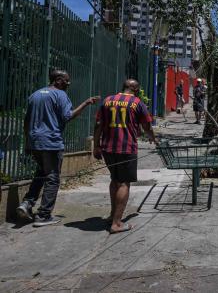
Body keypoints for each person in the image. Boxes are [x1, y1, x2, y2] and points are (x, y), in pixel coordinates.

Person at [16, 69, 100, 226]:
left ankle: (27, 203)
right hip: (51, 142)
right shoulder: (60, 95)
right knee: (52, 178)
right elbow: (68, 116)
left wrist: (28, 142)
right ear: (58, 80)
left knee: (41, 173)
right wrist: (85, 103)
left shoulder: (35, 94)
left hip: (35, 142)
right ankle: (43, 215)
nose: (68, 84)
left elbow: (26, 121)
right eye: (67, 81)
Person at [93, 79, 156, 234]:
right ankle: (116, 223)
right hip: (126, 148)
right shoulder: (136, 103)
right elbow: (147, 125)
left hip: (108, 148)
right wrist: (152, 137)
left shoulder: (107, 100)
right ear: (134, 88)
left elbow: (98, 124)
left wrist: (96, 146)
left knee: (115, 180)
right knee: (124, 184)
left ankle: (112, 216)